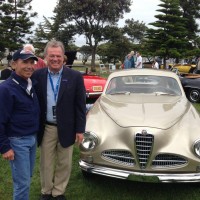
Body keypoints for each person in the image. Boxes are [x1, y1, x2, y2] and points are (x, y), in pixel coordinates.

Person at [32, 40, 86, 200]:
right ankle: (46, 191)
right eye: (51, 56)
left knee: (65, 162)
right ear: (45, 57)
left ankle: (58, 192)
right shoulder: (38, 75)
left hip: (68, 127)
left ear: (64, 58)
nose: (55, 59)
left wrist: (80, 129)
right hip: (46, 127)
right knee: (46, 163)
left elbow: (80, 105)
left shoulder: (75, 77)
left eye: (58, 56)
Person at [0, 49, 40, 200]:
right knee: (22, 183)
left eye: (32, 62)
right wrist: (5, 147)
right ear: (14, 64)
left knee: (26, 177)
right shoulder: (6, 89)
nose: (29, 66)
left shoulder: (29, 84)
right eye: (25, 62)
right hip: (17, 141)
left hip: (31, 139)